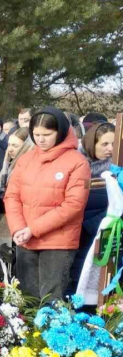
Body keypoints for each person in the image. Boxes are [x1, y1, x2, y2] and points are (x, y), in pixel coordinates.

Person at [4, 107, 90, 301]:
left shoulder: (77, 162)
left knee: (50, 300)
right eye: (36, 135)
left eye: (47, 135)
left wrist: (33, 228)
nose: (41, 140)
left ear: (59, 133)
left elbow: (73, 205)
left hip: (58, 241)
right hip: (25, 238)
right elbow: (12, 196)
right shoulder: (26, 159)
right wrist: (18, 228)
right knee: (27, 299)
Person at [68, 122, 115, 295]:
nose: (110, 148)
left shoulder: (117, 172)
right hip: (74, 237)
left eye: (114, 144)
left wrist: (91, 224)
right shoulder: (77, 166)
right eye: (104, 144)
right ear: (91, 145)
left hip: (102, 237)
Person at [0, 128, 34, 249]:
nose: (10, 149)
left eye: (15, 145)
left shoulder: (29, 168)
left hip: (16, 224)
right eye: (9, 144)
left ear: (26, 147)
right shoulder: (8, 166)